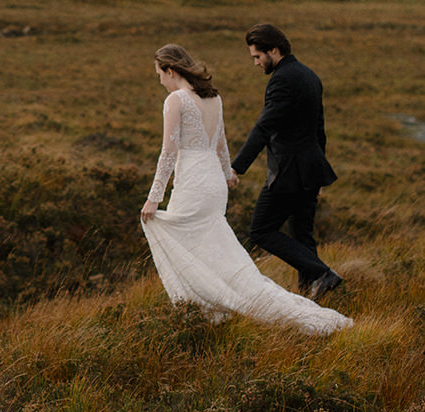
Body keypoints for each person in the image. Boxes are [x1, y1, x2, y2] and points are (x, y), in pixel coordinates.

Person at [140, 43, 352, 335]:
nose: (160, 81)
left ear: (171, 70)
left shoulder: (176, 100)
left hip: (192, 182)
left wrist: (154, 198)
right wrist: (227, 173)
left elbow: (168, 152)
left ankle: (207, 307)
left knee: (187, 244)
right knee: (212, 246)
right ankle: (213, 305)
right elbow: (220, 143)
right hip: (213, 182)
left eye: (159, 75)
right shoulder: (214, 97)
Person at [231, 24, 345, 301]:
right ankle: (310, 300)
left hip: (289, 171)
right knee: (302, 236)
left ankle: (323, 273)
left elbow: (263, 127)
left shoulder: (282, 80)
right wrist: (317, 174)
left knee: (260, 230)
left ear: (274, 50)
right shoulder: (310, 75)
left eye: (258, 57)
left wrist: (236, 167)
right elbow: (319, 130)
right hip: (310, 170)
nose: (257, 63)